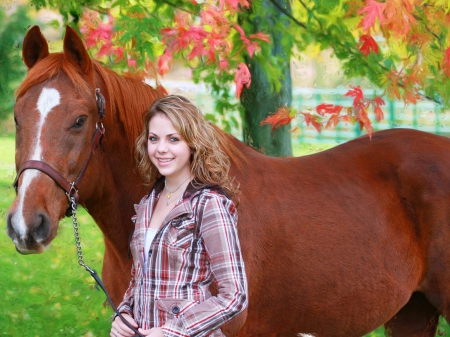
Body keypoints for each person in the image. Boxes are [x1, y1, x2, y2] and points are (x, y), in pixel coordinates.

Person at [110, 95, 248, 337]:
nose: (161, 148)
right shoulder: (147, 204)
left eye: (173, 139)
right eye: (154, 139)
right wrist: (124, 313)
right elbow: (140, 279)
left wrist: (171, 332)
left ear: (192, 144)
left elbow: (234, 295)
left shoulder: (209, 204)